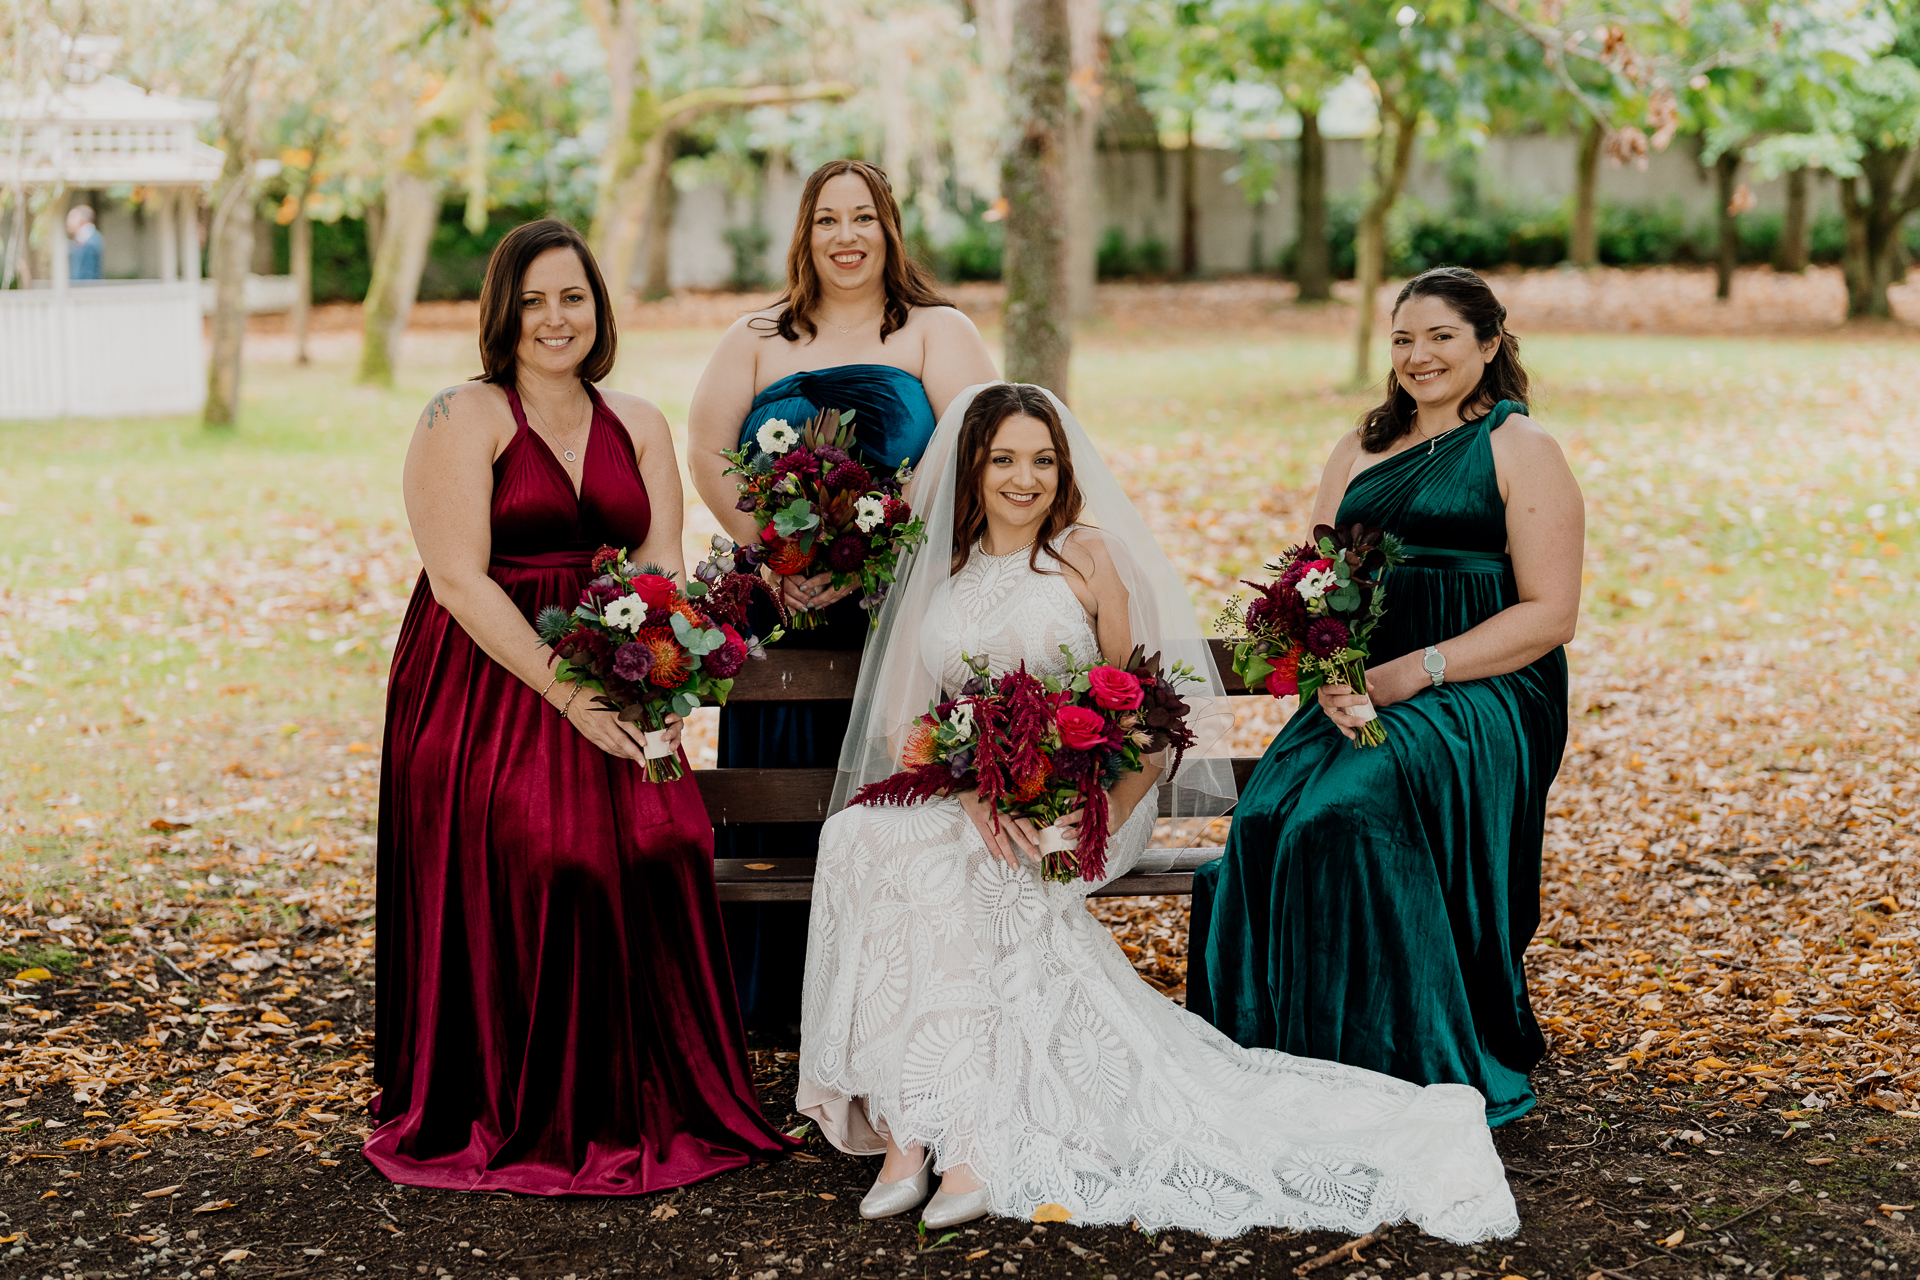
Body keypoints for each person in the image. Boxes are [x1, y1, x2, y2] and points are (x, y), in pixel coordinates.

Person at [796, 381, 1519, 1242]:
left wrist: (1081, 813)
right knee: (864, 835)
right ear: (972, 469)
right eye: (1003, 461)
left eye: (1042, 460)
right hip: (974, 791)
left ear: (1063, 470)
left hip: (1094, 799)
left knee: (955, 866)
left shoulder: (1089, 556)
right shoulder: (939, 565)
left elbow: (1144, 716)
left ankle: (972, 1147)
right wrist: (975, 789)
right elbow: (900, 723)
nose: (1023, 479)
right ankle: (911, 1129)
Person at [368, 218, 795, 1194]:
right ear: (502, 315)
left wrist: (664, 682)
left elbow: (660, 566)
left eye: (573, 297)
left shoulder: (637, 421)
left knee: (666, 839)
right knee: (551, 851)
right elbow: (459, 581)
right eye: (533, 301)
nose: (555, 318)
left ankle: (653, 1093)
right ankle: (531, 1104)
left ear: (599, 308)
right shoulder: (460, 416)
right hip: (488, 680)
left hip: (620, 671)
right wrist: (567, 695)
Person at [1188, 266, 1583, 1126]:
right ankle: (1285, 1049)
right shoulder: (1359, 449)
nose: (1418, 355)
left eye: (1441, 336)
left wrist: (1407, 675)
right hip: (1357, 688)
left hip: (1483, 693)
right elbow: (1312, 582)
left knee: (1348, 813)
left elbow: (1552, 614)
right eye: (1403, 339)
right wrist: (1327, 664)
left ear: (1489, 343)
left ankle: (1391, 1053)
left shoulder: (1521, 449)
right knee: (1264, 821)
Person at [687, 159, 998, 1034]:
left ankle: (893, 1011)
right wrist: (771, 554)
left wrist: (884, 560)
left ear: (890, 229)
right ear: (805, 233)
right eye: (829, 220)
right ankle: (778, 1010)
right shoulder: (755, 336)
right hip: (781, 607)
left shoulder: (937, 333)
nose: (847, 237)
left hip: (902, 606)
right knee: (783, 798)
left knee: (890, 806)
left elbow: (975, 458)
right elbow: (708, 450)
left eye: (864, 218)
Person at [67, 206, 102, 280]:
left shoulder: (91, 241)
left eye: (73, 217)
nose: (68, 221)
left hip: (86, 289)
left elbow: (89, 274)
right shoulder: (83, 238)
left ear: (83, 220)